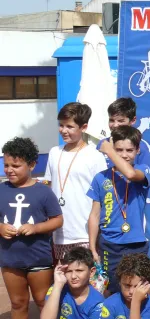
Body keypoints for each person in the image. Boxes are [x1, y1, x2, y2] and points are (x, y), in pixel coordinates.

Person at [0, 137, 63, 319]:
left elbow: (57, 220)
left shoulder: (43, 192)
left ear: (32, 165)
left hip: (38, 258)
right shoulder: (1, 190)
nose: (10, 170)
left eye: (16, 165)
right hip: (10, 259)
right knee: (17, 302)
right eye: (6, 165)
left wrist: (36, 228)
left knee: (42, 300)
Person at [87, 126, 150, 296]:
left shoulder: (142, 169)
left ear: (138, 150)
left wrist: (109, 150)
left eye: (129, 150)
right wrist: (93, 248)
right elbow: (94, 215)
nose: (124, 154)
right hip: (110, 244)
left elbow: (130, 174)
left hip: (135, 243)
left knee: (139, 291)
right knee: (111, 290)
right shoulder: (101, 178)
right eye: (119, 150)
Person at [45, 103, 108, 263]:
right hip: (59, 233)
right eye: (61, 125)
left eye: (70, 126)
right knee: (63, 278)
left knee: (85, 280)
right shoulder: (54, 152)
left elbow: (103, 195)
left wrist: (98, 230)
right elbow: (48, 186)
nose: (63, 130)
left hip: (85, 233)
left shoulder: (95, 155)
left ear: (84, 127)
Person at [99, 97, 150, 169]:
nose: (115, 125)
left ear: (133, 120)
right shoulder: (102, 144)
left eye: (121, 121)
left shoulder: (141, 147)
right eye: (112, 120)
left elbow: (144, 177)